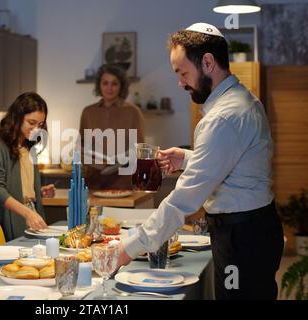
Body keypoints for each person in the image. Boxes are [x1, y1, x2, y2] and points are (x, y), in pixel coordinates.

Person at [117, 23, 284, 300]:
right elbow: (233, 162)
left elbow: (184, 199)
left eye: (183, 73)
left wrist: (130, 247)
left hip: (241, 239)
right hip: (253, 231)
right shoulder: (243, 101)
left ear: (207, 62)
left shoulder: (223, 117)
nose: (181, 83)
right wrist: (185, 157)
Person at [0, 92, 56, 240]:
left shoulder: (28, 146)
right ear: (17, 118)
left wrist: (37, 191)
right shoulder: (0, 144)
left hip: (29, 211)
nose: (36, 129)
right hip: (15, 215)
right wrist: (27, 213)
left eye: (40, 124)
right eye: (31, 122)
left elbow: (19, 184)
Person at [79, 63, 145, 190]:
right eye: (105, 83)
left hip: (124, 183)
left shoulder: (133, 112)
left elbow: (140, 148)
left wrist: (118, 162)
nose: (109, 88)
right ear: (99, 85)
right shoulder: (88, 112)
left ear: (121, 86)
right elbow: (82, 147)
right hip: (94, 182)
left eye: (114, 83)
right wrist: (92, 162)